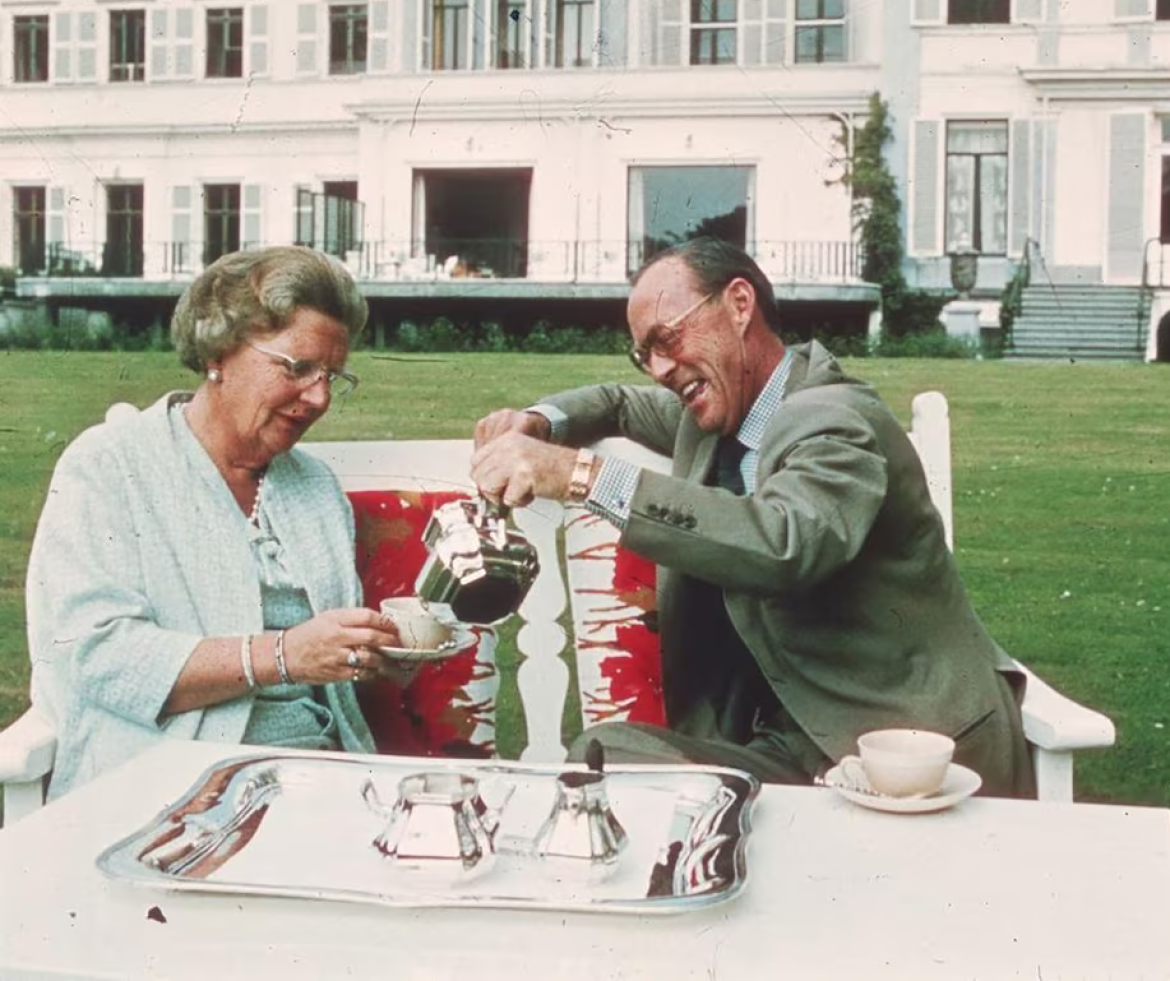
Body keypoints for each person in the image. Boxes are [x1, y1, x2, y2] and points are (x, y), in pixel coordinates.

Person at [471, 237, 1036, 797]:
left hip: (910, 749)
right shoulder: (716, 416)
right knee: (604, 753)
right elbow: (617, 404)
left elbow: (786, 543)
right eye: (645, 353)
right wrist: (539, 421)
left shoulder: (835, 418)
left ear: (740, 305)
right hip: (792, 748)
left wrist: (579, 476)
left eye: (667, 338)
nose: (660, 369)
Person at [26, 246, 404, 799]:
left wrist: (372, 652)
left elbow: (328, 674)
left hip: (318, 778)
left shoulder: (314, 487)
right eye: (297, 368)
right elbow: (98, 655)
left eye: (333, 376)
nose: (319, 397)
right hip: (161, 781)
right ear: (220, 353)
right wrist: (283, 656)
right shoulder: (110, 465)